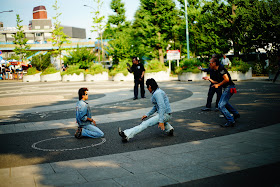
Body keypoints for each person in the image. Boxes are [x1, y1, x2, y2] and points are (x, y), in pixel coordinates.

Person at [207, 56, 240, 127]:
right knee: (225, 103)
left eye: (210, 63)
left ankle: (230, 120)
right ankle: (235, 114)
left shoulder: (221, 69)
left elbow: (227, 79)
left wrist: (218, 85)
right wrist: (209, 79)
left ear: (214, 63)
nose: (209, 64)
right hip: (227, 88)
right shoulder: (216, 70)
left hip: (229, 88)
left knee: (220, 105)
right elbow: (218, 81)